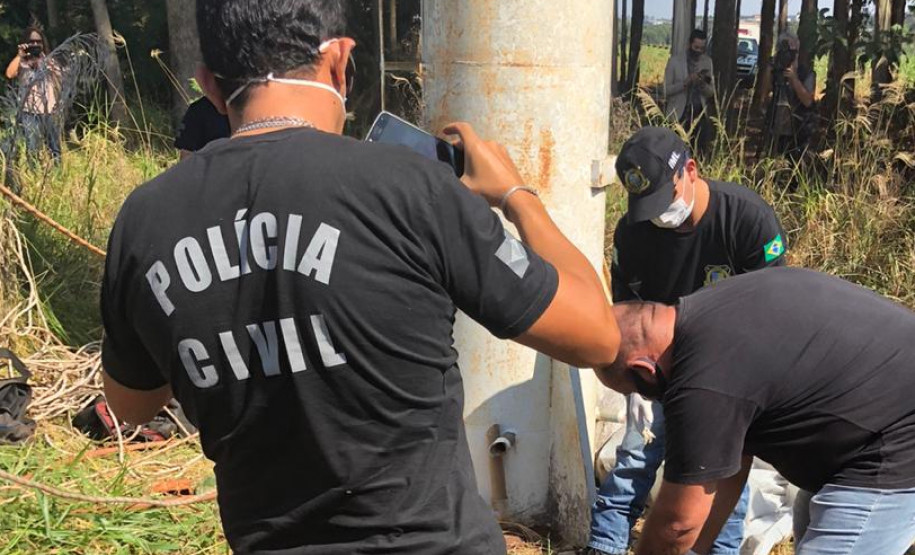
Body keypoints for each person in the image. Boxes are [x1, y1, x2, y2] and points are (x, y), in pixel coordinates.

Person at [99, 1, 620, 553]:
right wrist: (517, 197)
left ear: (208, 84)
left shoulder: (145, 218)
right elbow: (598, 335)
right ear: (341, 62)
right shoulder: (411, 189)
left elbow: (130, 405)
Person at [597, 267, 915, 555]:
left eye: (637, 391)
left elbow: (677, 524)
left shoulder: (701, 379)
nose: (647, 401)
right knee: (809, 526)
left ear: (645, 369)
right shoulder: (711, 310)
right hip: (860, 433)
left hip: (893, 442)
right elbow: (727, 472)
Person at [586, 127, 787, 555]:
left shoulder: (747, 220)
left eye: (665, 198)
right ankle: (602, 546)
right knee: (636, 457)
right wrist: (634, 386)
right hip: (658, 365)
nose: (661, 214)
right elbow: (627, 307)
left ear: (690, 170)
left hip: (726, 373)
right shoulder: (634, 232)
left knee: (717, 477)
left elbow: (772, 311)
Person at [4, 26, 61, 160]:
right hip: (29, 111)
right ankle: (34, 175)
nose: (35, 44)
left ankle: (57, 174)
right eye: (32, 41)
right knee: (32, 148)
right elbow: (9, 74)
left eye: (38, 41)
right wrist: (20, 55)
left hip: (49, 111)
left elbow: (59, 77)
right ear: (26, 43)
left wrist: (45, 59)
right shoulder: (22, 62)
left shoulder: (48, 60)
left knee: (55, 149)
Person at [765, 31, 816, 159]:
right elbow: (764, 93)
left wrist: (794, 79)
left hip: (797, 131)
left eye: (792, 51)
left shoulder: (807, 73)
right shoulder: (775, 71)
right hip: (775, 128)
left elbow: (808, 101)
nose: (788, 55)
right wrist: (769, 70)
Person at [664, 30, 714, 155]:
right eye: (696, 47)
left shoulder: (707, 62)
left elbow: (711, 92)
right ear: (689, 44)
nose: (698, 51)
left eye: (701, 48)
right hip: (679, 114)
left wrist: (702, 83)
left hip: (699, 115)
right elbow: (665, 90)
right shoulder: (675, 62)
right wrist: (685, 83)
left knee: (698, 153)